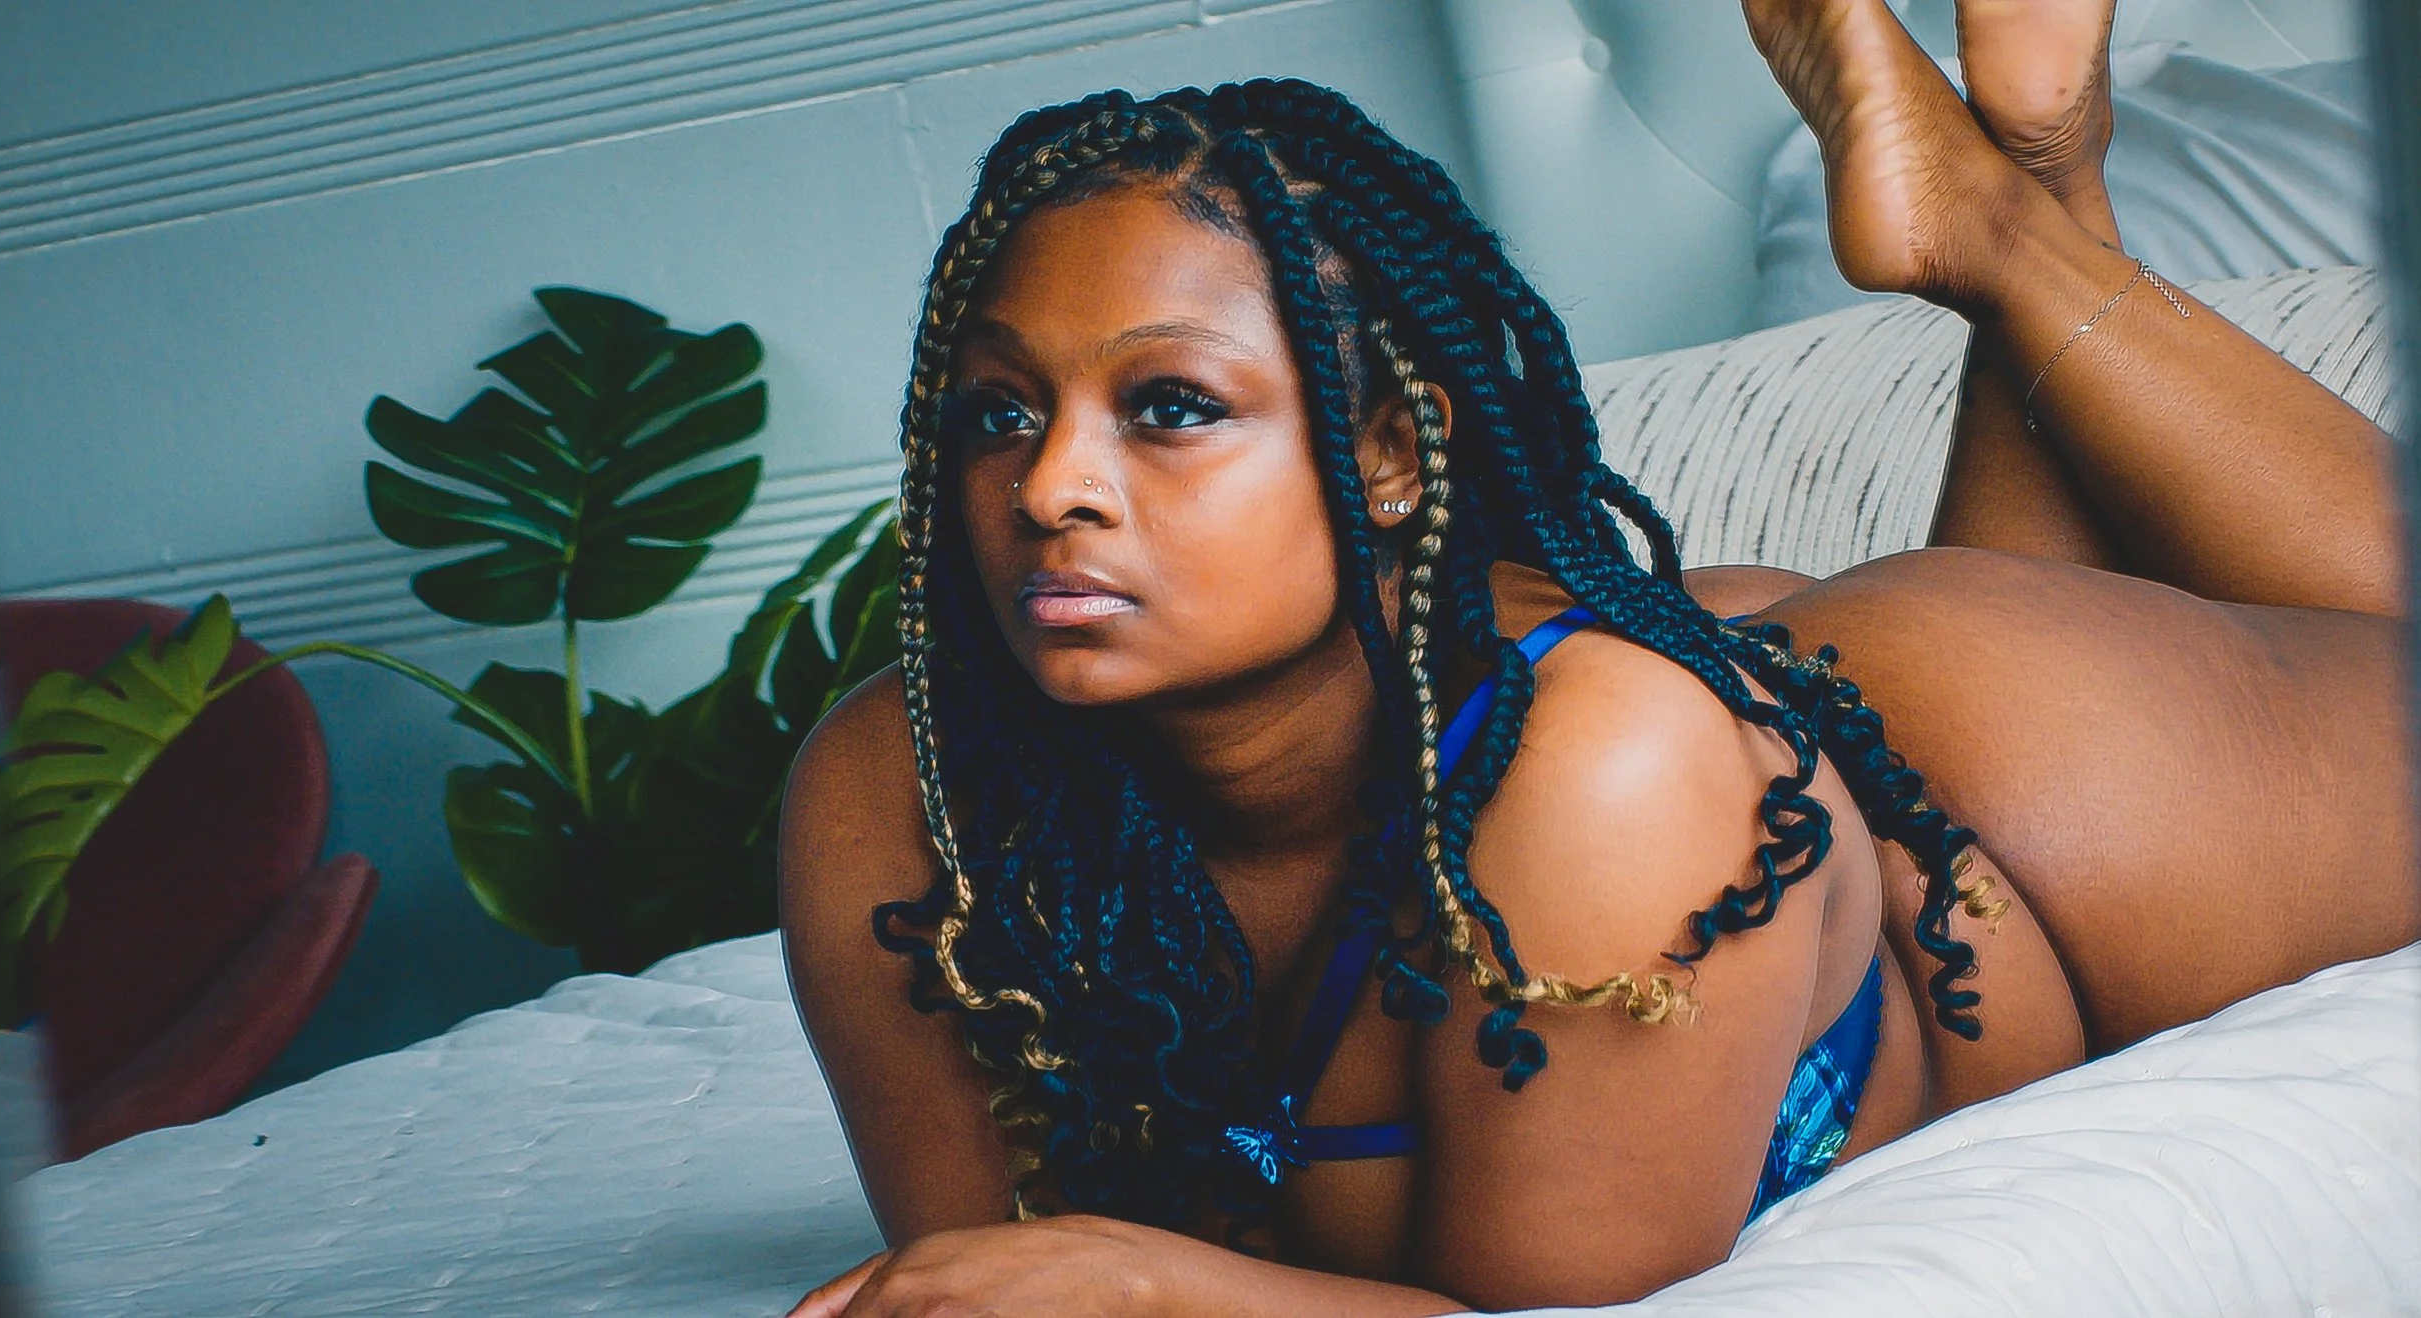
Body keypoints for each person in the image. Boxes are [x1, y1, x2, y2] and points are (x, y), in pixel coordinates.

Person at [779, 0, 2420, 1311]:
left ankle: (1999, 220)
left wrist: (1151, 1278)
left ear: (1395, 454)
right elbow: (971, 1281)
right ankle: (2032, 167)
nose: (1049, 487)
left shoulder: (1603, 776)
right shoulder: (894, 791)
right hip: (1727, 729)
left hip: (2025, 802)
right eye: (1000, 413)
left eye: (1170, 406)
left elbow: (1557, 1309)